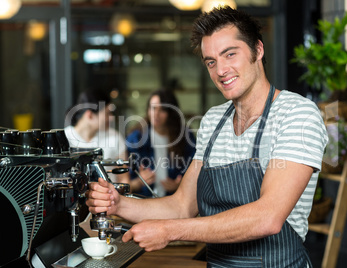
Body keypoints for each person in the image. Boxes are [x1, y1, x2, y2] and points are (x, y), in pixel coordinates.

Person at [86, 6, 328, 267]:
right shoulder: (214, 120)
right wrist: (119, 204)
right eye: (211, 61)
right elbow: (181, 206)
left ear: (258, 50)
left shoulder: (297, 114)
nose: (221, 70)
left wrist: (170, 231)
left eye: (230, 54)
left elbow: (267, 218)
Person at [126, 90, 196, 196]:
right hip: (143, 201)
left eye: (162, 109)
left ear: (172, 113)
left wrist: (181, 185)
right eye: (153, 108)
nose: (156, 114)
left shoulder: (185, 137)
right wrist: (139, 182)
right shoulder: (136, 138)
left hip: (175, 201)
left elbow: (197, 171)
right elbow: (125, 184)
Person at [64, 89, 130, 183]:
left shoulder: (115, 137)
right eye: (107, 113)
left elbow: (124, 180)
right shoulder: (65, 138)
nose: (111, 118)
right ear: (90, 115)